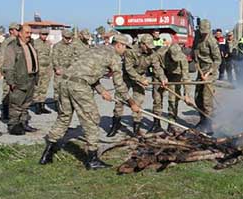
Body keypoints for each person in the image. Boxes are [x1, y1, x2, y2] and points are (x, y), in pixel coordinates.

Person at [40, 34, 140, 170]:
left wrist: (102, 91)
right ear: (119, 45)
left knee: (64, 117)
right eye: (125, 47)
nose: (125, 51)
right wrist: (131, 102)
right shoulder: (114, 57)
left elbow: (85, 72)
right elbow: (119, 84)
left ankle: (47, 154)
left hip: (65, 82)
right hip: (80, 87)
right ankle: (92, 159)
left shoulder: (95, 49)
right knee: (92, 120)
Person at [107, 34, 167, 137]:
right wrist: (140, 79)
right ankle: (116, 124)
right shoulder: (130, 51)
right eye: (147, 46)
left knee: (138, 102)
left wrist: (162, 78)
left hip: (140, 78)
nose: (149, 49)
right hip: (126, 77)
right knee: (119, 101)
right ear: (142, 44)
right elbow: (129, 69)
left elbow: (157, 67)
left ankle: (136, 128)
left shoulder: (152, 54)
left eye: (151, 46)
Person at [2, 24, 39, 135]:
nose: (29, 35)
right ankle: (13, 125)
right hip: (19, 80)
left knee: (26, 103)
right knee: (16, 104)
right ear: (20, 33)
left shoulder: (30, 44)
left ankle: (23, 123)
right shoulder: (12, 46)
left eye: (30, 33)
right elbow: (8, 66)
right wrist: (11, 81)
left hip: (31, 78)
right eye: (27, 33)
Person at [151, 43, 193, 133]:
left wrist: (187, 95)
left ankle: (171, 123)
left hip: (175, 76)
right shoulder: (160, 53)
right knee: (157, 98)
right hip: (161, 73)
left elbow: (186, 77)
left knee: (173, 100)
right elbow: (156, 66)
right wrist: (162, 77)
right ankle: (156, 123)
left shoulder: (182, 58)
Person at [193, 19, 222, 133]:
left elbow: (217, 60)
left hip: (210, 72)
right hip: (200, 71)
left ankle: (209, 125)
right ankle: (202, 120)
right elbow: (194, 53)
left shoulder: (211, 41)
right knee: (197, 98)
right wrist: (199, 70)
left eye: (206, 32)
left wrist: (208, 73)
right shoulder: (197, 37)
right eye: (202, 32)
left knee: (206, 100)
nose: (204, 34)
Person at [52, 30, 85, 113]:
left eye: (69, 38)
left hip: (69, 70)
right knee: (58, 88)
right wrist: (57, 68)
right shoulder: (57, 46)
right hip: (60, 69)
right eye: (66, 38)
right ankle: (57, 104)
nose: (68, 40)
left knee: (67, 87)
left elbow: (75, 56)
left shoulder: (72, 46)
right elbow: (54, 58)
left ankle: (67, 105)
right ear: (63, 37)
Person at [0, 22, 21, 121]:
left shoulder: (18, 41)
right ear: (11, 30)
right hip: (9, 70)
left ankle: (13, 112)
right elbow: (2, 55)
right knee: (7, 91)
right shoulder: (8, 42)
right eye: (17, 30)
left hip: (17, 70)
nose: (18, 32)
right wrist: (1, 69)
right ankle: (5, 112)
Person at [32, 28, 53, 115]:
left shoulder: (48, 43)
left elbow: (50, 55)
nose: (44, 36)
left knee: (44, 87)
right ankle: (37, 106)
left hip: (47, 68)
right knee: (37, 88)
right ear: (39, 34)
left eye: (46, 35)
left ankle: (42, 105)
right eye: (43, 34)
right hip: (38, 68)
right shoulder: (35, 43)